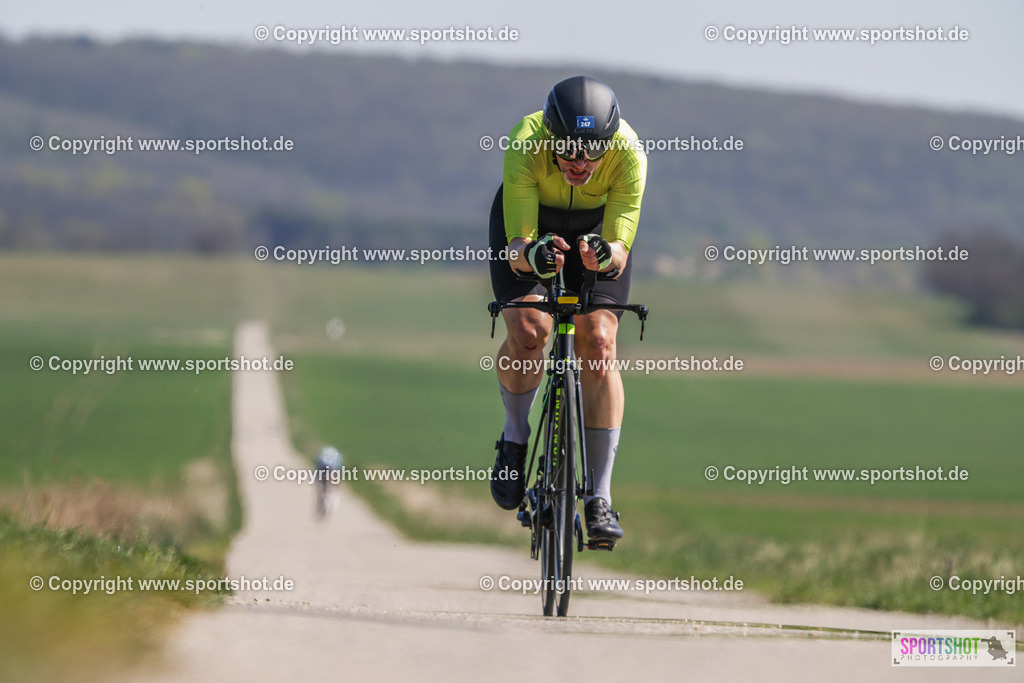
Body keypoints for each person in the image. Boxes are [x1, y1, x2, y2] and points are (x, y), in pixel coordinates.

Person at [487, 75, 647, 543]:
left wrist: (605, 253)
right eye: (569, 149)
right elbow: (517, 247)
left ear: (610, 142)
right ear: (550, 136)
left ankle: (599, 497)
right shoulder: (525, 142)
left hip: (597, 228)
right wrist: (532, 255)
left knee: (598, 342)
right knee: (530, 330)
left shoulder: (629, 154)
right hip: (532, 223)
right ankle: (515, 435)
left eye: (592, 151)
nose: (580, 162)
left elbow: (619, 249)